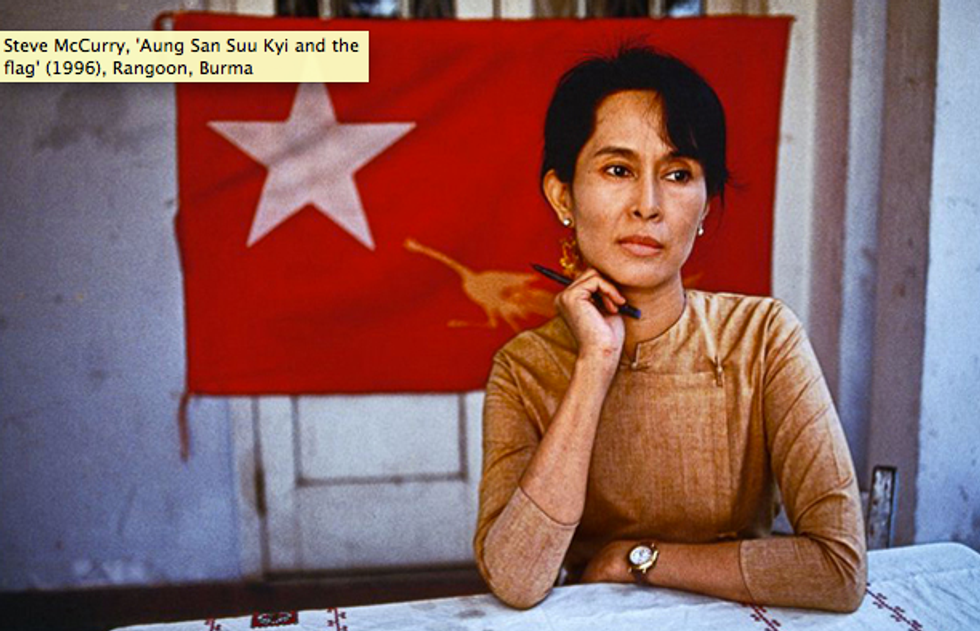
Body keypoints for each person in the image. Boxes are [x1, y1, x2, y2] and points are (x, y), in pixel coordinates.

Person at [473, 46, 867, 613]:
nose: (649, 205)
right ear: (563, 195)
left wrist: (633, 561)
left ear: (705, 206)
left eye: (678, 174)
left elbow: (838, 571)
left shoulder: (763, 338)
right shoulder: (523, 369)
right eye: (618, 170)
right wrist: (594, 364)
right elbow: (515, 579)